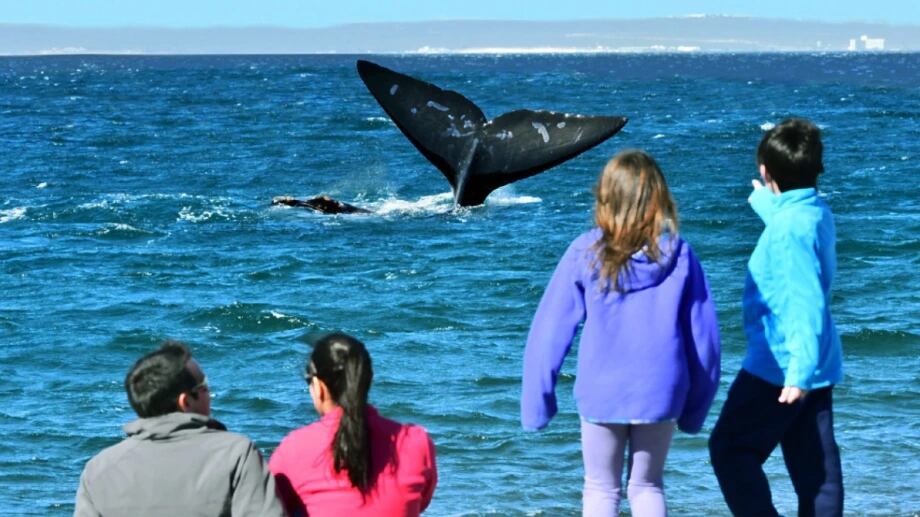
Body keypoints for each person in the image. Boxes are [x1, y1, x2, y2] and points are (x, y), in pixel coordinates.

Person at [520, 150, 721, 516]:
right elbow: (705, 344)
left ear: (604, 197)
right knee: (647, 486)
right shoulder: (680, 255)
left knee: (601, 489)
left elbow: (548, 333)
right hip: (661, 391)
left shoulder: (585, 251)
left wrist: (538, 404)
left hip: (603, 389)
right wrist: (696, 409)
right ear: (659, 199)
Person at [708, 118, 844, 516]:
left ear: (765, 171)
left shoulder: (789, 230)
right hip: (815, 361)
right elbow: (794, 225)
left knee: (730, 449)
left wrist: (797, 373)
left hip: (781, 368)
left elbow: (805, 301)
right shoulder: (815, 212)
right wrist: (770, 207)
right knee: (814, 472)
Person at [74, 341, 285, 517]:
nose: (209, 394)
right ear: (185, 401)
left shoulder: (99, 469)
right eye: (204, 387)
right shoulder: (236, 453)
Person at [269, 333, 437, 516]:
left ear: (319, 387)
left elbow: (271, 507)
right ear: (368, 381)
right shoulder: (415, 441)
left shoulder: (294, 448)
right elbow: (420, 500)